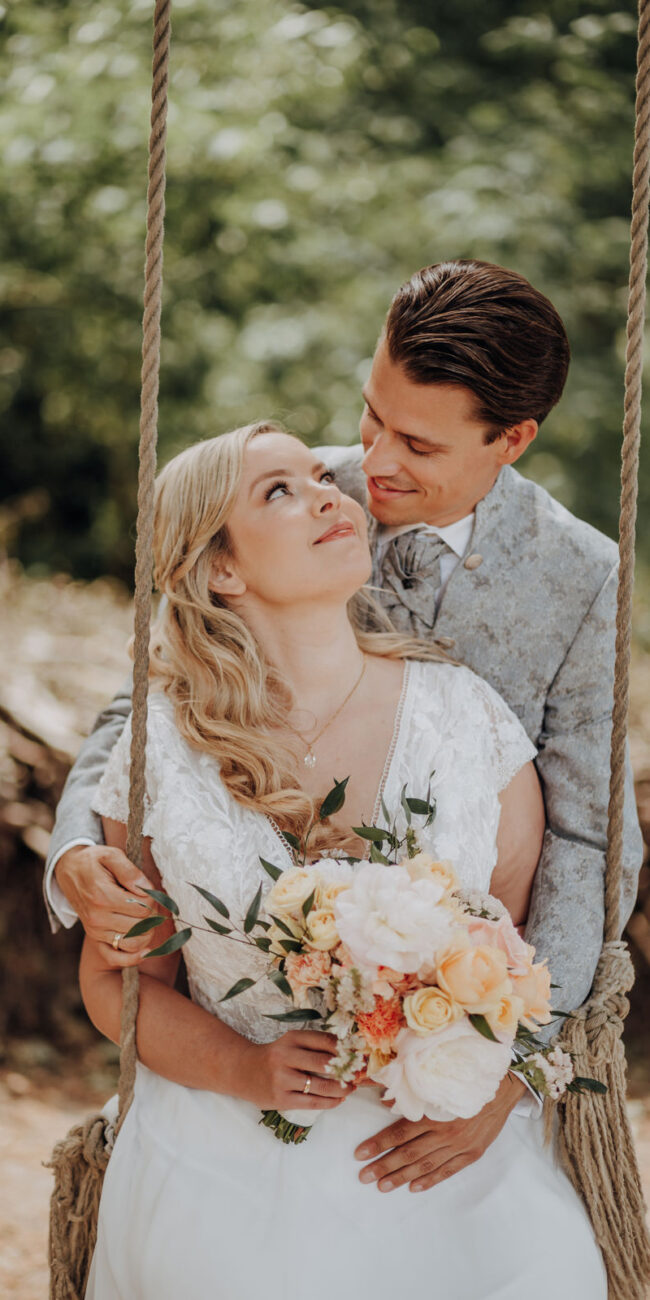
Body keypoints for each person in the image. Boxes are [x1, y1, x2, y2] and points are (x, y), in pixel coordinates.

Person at [45, 259, 642, 1192]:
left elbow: (588, 836)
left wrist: (505, 1065)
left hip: (453, 1008)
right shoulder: (295, 494)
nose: (373, 462)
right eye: (372, 413)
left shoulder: (584, 577)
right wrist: (76, 843)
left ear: (512, 439)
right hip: (249, 1001)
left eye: (418, 444)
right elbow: (156, 690)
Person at [81, 422, 606, 1298]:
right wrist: (243, 1069)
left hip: (437, 1140)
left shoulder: (468, 720)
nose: (331, 493)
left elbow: (520, 953)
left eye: (322, 477)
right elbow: (121, 985)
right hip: (226, 1139)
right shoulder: (161, 750)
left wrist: (471, 1069)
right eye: (278, 491)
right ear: (222, 568)